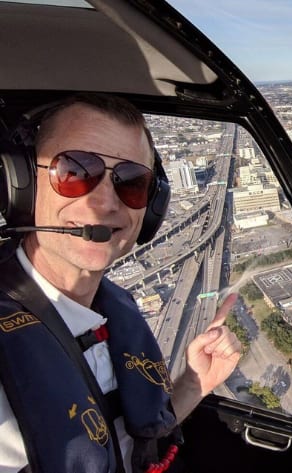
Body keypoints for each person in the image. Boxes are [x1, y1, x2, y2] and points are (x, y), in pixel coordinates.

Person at [0, 94, 242, 472]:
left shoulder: (108, 314)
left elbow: (126, 445)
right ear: (21, 182)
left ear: (152, 207)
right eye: (75, 172)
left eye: (131, 182)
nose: (105, 204)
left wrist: (194, 383)